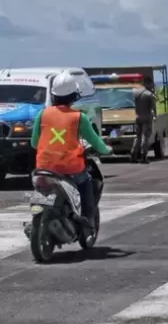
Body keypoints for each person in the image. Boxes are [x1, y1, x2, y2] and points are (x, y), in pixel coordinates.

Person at [30, 71, 112, 229]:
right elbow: (96, 142)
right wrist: (107, 150)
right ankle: (87, 218)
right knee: (87, 183)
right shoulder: (79, 117)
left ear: (54, 95)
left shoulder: (42, 114)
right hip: (70, 169)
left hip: (44, 168)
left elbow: (34, 143)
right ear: (74, 96)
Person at [131, 76, 156, 164]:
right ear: (148, 83)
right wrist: (154, 115)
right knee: (145, 137)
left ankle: (133, 155)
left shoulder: (136, 92)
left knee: (137, 137)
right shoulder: (149, 94)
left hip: (138, 117)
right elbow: (153, 107)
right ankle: (143, 156)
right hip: (147, 117)